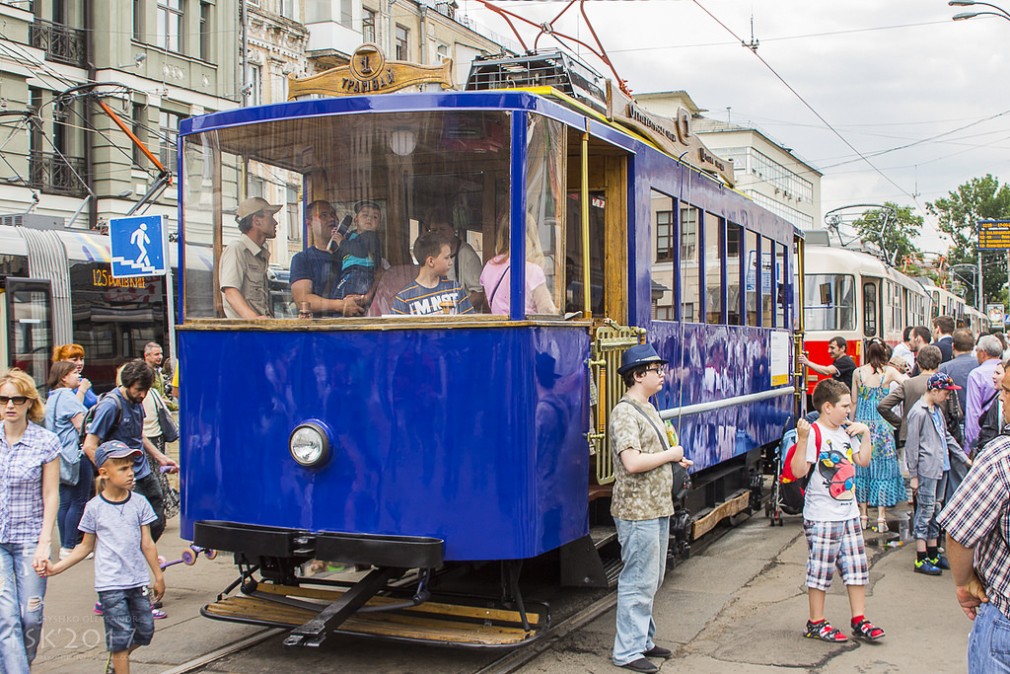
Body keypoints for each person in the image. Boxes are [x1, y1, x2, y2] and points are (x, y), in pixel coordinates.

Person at [40, 440, 165, 674]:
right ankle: (119, 661)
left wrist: (158, 576)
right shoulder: (94, 508)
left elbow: (147, 543)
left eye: (131, 467)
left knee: (145, 631)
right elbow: (85, 547)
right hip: (110, 585)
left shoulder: (139, 503)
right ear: (104, 473)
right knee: (120, 638)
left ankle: (117, 660)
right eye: (123, 468)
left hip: (137, 581)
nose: (131, 473)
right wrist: (57, 568)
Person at [609, 344, 692, 673]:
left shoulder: (648, 408)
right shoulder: (625, 412)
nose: (662, 374)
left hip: (656, 506)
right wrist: (671, 456)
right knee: (638, 581)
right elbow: (631, 461)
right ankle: (627, 651)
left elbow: (651, 453)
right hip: (637, 510)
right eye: (656, 370)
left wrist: (675, 457)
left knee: (652, 578)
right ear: (638, 375)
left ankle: (642, 640)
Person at [790, 379, 883, 644]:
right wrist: (803, 440)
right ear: (827, 407)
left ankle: (859, 618)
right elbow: (798, 472)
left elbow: (862, 461)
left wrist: (865, 434)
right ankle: (816, 622)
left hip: (849, 512)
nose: (849, 410)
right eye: (845, 406)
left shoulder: (847, 432)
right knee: (820, 571)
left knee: (856, 568)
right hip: (822, 515)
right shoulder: (815, 434)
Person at [937, 365, 1010, 673]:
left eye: (1006, 391)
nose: (1001, 400)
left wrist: (965, 582)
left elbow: (960, 533)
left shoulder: (1000, 458)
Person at [0, 368, 60, 673]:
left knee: (30, 616)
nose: (10, 405)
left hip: (30, 541)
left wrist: (44, 543)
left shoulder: (46, 442)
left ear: (29, 402)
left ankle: (16, 664)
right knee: (6, 618)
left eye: (17, 399)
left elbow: (51, 495)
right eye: (3, 399)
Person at [83, 359, 177, 544]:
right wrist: (110, 474)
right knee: (135, 524)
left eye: (146, 390)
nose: (142, 394)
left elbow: (138, 435)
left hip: (144, 472)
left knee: (157, 517)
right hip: (124, 476)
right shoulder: (110, 406)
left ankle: (139, 554)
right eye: (138, 390)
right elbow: (89, 445)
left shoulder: (137, 401)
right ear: (126, 384)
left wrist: (161, 458)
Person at [905, 372, 971, 576]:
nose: (948, 397)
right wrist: (913, 475)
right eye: (945, 392)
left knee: (935, 509)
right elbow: (912, 445)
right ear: (934, 391)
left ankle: (932, 552)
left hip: (939, 466)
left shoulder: (935, 410)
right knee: (925, 510)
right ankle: (921, 556)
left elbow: (946, 437)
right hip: (927, 468)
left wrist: (963, 457)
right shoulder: (919, 412)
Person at [850, 339, 905, 533]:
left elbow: (854, 401)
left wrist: (850, 424)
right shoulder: (889, 372)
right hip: (882, 427)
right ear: (884, 353)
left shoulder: (857, 373)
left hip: (861, 424)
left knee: (862, 470)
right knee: (882, 471)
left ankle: (863, 515)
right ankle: (881, 517)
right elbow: (906, 383)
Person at [45, 361, 90, 559]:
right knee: (79, 500)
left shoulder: (52, 397)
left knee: (65, 501)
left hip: (59, 456)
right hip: (76, 455)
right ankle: (72, 545)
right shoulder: (67, 397)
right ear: (63, 377)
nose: (77, 376)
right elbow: (82, 426)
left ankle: (65, 543)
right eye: (74, 373)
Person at [289, 200, 365, 317]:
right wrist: (341, 305)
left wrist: (364, 298)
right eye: (323, 215)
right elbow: (303, 300)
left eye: (333, 214)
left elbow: (376, 275)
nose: (331, 219)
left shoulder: (352, 254)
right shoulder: (302, 259)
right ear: (309, 223)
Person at [878, 345, 945, 468]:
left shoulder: (909, 384)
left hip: (910, 436)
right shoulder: (945, 384)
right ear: (939, 364)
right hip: (938, 437)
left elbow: (883, 406)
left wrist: (902, 423)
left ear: (918, 364)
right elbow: (955, 413)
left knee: (911, 473)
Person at [480, 215, 557, 316]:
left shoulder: (489, 267)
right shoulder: (532, 270)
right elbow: (547, 312)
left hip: (499, 330)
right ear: (530, 237)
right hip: (527, 331)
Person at [219, 196, 280, 318]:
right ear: (257, 220)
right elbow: (231, 292)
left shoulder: (260, 254)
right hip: (246, 332)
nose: (275, 222)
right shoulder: (237, 249)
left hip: (260, 331)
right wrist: (255, 320)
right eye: (271, 217)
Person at [391, 232, 474, 316]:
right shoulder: (404, 298)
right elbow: (397, 328)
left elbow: (471, 323)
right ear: (430, 261)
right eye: (446, 258)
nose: (450, 262)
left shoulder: (456, 289)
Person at [426, 214, 485, 310]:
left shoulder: (467, 255)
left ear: (453, 230)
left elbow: (479, 294)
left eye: (442, 229)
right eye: (434, 230)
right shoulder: (430, 254)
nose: (438, 234)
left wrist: (456, 309)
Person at [334, 200, 383, 302]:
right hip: (348, 272)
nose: (369, 218)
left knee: (343, 296)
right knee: (338, 295)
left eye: (375, 217)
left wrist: (341, 242)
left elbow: (361, 251)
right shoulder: (350, 236)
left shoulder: (370, 236)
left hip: (361, 273)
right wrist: (336, 239)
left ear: (378, 224)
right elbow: (342, 252)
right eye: (365, 215)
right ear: (356, 220)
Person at [966, 334, 1004, 455]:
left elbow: (973, 413)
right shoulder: (1005, 370)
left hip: (986, 435)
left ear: (983, 353)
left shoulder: (976, 374)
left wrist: (970, 446)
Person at [938, 328, 980, 426]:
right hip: (979, 423)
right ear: (973, 345)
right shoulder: (981, 366)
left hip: (955, 422)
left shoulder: (944, 368)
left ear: (953, 346)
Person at [53, 343, 95, 408]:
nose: (80, 363)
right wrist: (82, 390)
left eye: (81, 359)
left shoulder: (83, 381)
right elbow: (73, 410)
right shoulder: (59, 386)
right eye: (74, 360)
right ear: (62, 361)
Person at [142, 342, 177, 412]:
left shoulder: (159, 373)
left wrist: (175, 407)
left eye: (161, 353)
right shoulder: (142, 373)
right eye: (156, 354)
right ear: (146, 355)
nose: (160, 357)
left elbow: (162, 395)